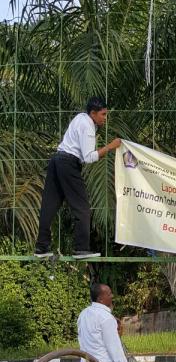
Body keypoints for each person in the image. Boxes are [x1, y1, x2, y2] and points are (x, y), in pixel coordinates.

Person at [34, 98, 122, 260]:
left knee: (49, 205)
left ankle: (41, 247)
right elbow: (89, 158)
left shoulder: (79, 117)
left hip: (56, 161)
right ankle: (81, 249)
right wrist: (111, 146)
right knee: (82, 207)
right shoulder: (88, 125)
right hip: (69, 164)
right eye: (103, 114)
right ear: (93, 113)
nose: (105, 118)